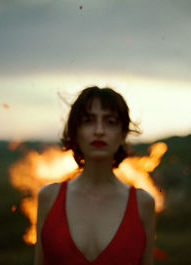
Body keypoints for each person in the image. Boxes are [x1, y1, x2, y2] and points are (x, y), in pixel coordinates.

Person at [33, 87, 156, 265]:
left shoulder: (142, 204)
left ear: (123, 134)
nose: (99, 130)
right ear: (75, 131)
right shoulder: (49, 198)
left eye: (110, 122)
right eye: (88, 121)